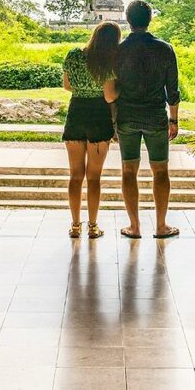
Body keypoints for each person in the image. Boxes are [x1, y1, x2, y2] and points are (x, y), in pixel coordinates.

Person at [114, 0, 180, 239]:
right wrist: (173, 120)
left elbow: (112, 89)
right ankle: (161, 226)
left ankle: (134, 226)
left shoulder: (118, 50)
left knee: (128, 171)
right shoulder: (165, 49)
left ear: (128, 19)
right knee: (160, 170)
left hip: (126, 117)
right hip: (155, 116)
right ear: (150, 19)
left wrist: (112, 121)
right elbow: (172, 90)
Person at [61, 21, 120, 239]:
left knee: (75, 176)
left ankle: (75, 225)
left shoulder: (74, 55)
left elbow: (67, 86)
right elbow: (109, 96)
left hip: (76, 113)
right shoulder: (107, 62)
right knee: (93, 178)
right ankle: (93, 226)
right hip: (98, 115)